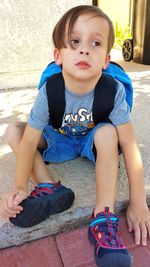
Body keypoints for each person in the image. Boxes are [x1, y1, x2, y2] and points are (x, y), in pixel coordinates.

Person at [0, 4, 150, 267]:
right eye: (75, 41)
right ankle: (47, 186)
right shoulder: (51, 90)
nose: (84, 49)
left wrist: (138, 202)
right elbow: (30, 140)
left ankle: (103, 218)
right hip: (59, 138)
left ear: (105, 60)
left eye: (95, 42)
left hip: (91, 141)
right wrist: (20, 188)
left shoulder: (110, 91)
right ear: (58, 55)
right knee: (15, 130)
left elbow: (129, 144)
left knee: (107, 132)